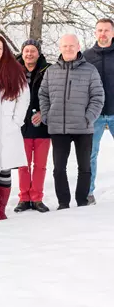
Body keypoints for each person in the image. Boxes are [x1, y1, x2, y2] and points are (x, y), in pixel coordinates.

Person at [39, 34, 104, 209]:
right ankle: (63, 203)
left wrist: (88, 117)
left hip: (83, 128)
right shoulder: (51, 71)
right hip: (58, 128)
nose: (68, 49)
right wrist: (47, 115)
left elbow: (98, 96)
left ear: (78, 46)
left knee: (84, 167)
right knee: (59, 168)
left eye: (71, 46)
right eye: (65, 46)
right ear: (60, 48)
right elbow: (43, 94)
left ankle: (82, 201)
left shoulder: (90, 70)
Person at [0, 35, 30, 222]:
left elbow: (24, 97)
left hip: (9, 125)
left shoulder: (15, 70)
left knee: (6, 168)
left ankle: (1, 210)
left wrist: (16, 121)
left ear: (4, 50)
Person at [15, 40, 52, 213]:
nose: (29, 54)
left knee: (40, 165)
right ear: (22, 53)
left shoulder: (49, 70)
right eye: (26, 51)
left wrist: (44, 113)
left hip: (42, 126)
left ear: (38, 53)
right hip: (21, 126)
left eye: (33, 51)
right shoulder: (14, 70)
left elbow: (55, 95)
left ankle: (37, 198)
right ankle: (24, 198)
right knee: (23, 164)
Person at [84, 18, 114, 205]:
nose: (102, 34)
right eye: (99, 30)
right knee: (90, 154)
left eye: (106, 30)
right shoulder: (86, 56)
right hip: (94, 115)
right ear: (95, 32)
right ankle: (88, 193)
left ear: (113, 33)